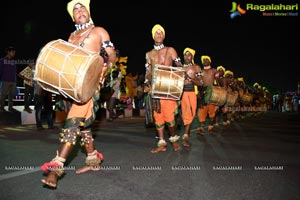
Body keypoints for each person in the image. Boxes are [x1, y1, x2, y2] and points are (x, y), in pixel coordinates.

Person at [40, 0, 116, 188]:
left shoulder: (99, 31)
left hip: (90, 85)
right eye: (75, 9)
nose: (79, 10)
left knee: (73, 123)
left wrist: (106, 68)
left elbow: (112, 55)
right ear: (73, 17)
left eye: (82, 7)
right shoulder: (71, 36)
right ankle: (92, 160)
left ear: (88, 12)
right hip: (71, 87)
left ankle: (55, 169)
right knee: (83, 126)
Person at [144, 24, 182, 153]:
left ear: (163, 35)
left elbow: (179, 65)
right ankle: (161, 144)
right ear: (153, 36)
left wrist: (178, 77)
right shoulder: (149, 54)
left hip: (168, 88)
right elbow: (148, 72)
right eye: (156, 33)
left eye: (161, 33)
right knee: (158, 117)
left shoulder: (171, 50)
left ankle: (174, 140)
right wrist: (146, 83)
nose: (158, 35)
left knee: (169, 116)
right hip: (156, 88)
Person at [181, 47, 202, 147]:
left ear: (192, 56)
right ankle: (185, 137)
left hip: (192, 93)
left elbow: (200, 82)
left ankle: (186, 132)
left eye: (189, 54)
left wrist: (189, 78)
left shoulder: (196, 67)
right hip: (182, 94)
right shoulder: (180, 67)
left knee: (192, 114)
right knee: (186, 115)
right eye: (185, 54)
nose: (187, 56)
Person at [196, 55, 220, 135]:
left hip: (212, 92)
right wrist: (198, 92)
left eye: (207, 60)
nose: (205, 61)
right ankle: (202, 127)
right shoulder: (201, 71)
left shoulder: (214, 70)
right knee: (202, 110)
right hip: (203, 91)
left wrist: (218, 89)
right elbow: (198, 82)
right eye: (204, 60)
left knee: (212, 110)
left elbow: (217, 80)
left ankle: (210, 126)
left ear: (210, 61)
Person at [0, 46, 17, 112]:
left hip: (13, 81)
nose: (14, 53)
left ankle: (10, 108)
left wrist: (15, 81)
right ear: (8, 52)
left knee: (11, 96)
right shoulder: (2, 60)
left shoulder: (13, 61)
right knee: (3, 95)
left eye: (14, 52)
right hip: (5, 81)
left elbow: (14, 71)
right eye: (12, 52)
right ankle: (1, 108)